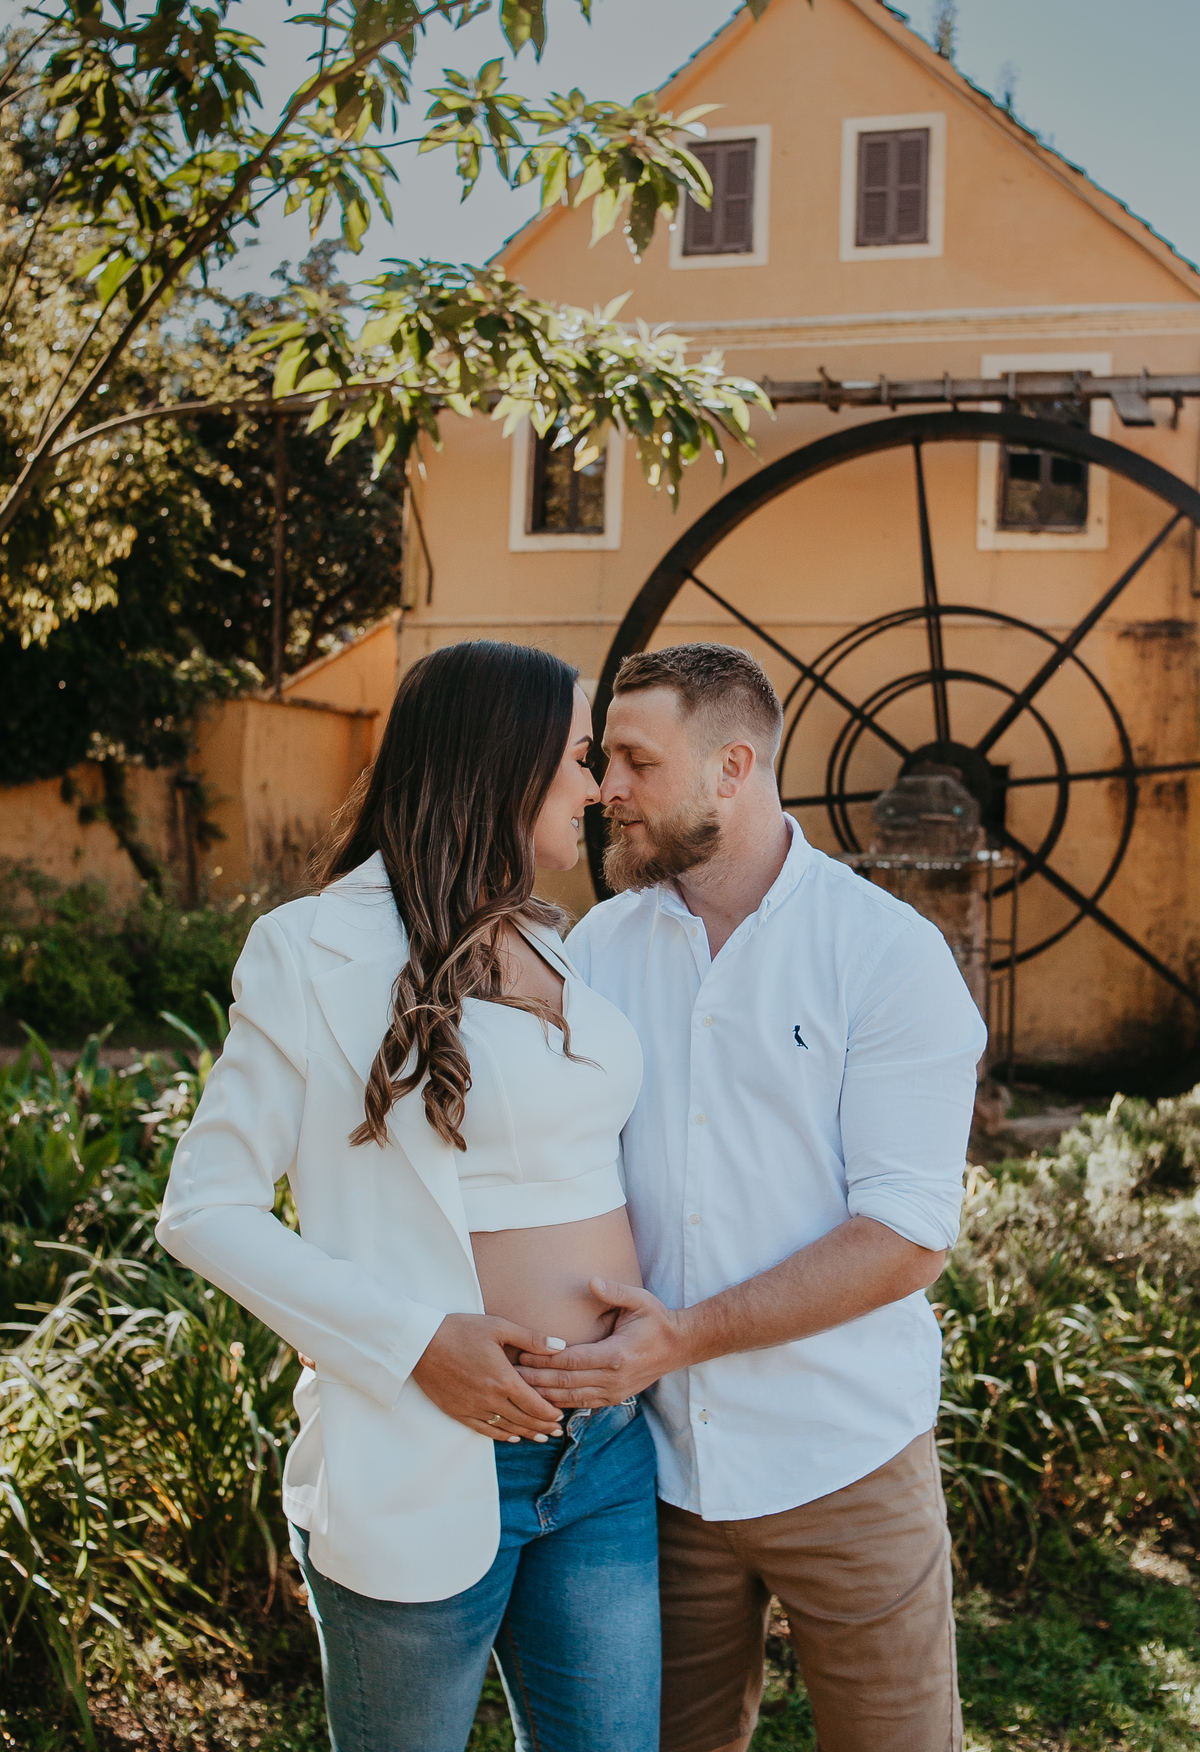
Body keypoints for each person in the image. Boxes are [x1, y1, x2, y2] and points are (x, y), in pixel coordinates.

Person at [156, 640, 660, 1752]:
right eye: (577, 757)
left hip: (607, 1453)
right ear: (501, 764)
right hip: (426, 1443)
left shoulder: (559, 941)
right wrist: (415, 1340)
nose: (595, 786)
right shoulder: (310, 950)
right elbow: (203, 1207)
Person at [519, 642, 987, 1752]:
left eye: (635, 759)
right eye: (603, 760)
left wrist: (680, 1339)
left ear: (734, 767)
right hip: (653, 1476)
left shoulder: (886, 956)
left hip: (848, 1465)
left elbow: (905, 1238)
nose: (607, 790)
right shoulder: (595, 950)